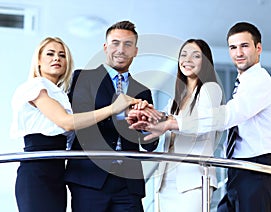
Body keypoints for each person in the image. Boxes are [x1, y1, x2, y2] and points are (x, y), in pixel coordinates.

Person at [130, 22, 271, 212]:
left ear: (258, 48)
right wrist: (149, 119)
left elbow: (228, 115)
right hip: (237, 170)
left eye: (244, 46)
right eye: (233, 47)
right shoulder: (178, 99)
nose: (238, 53)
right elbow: (166, 127)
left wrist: (170, 123)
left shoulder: (257, 81)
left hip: (254, 167)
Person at [10, 37, 139, 212]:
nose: (57, 58)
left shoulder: (62, 95)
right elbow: (67, 122)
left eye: (62, 55)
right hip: (37, 169)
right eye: (50, 54)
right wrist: (112, 108)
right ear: (39, 60)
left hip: (57, 171)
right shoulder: (35, 86)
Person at [64, 20, 160, 212]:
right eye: (115, 43)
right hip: (90, 179)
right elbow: (79, 121)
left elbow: (148, 144)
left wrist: (150, 126)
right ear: (105, 47)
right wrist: (120, 112)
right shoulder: (83, 78)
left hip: (128, 183)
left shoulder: (143, 92)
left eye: (128, 44)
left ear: (135, 51)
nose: (121, 50)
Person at [130, 39, 223, 211]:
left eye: (196, 56)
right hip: (167, 178)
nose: (187, 60)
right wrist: (147, 113)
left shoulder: (210, 89)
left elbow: (200, 122)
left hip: (193, 179)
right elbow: (163, 121)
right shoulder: (177, 99)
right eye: (183, 55)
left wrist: (167, 123)